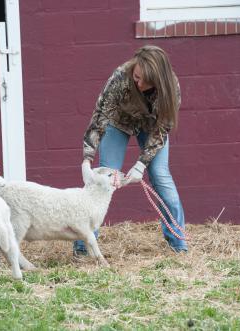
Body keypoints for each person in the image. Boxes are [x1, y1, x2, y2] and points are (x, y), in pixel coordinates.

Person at [74, 45, 188, 255]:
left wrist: (141, 164)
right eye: (137, 77)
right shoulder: (121, 77)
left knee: (161, 176)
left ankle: (178, 243)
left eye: (146, 81)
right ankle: (83, 246)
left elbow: (163, 129)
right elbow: (100, 116)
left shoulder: (171, 86)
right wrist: (87, 158)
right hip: (118, 123)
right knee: (105, 176)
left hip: (153, 128)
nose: (140, 84)